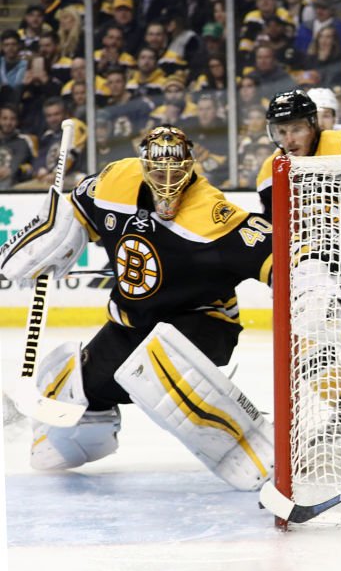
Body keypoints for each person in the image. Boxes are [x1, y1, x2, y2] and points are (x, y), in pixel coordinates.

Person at [0, 125, 274, 491]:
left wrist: (311, 281)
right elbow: (79, 210)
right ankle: (89, 440)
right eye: (158, 170)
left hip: (201, 325)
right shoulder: (117, 180)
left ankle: (259, 453)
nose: (167, 180)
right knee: (63, 406)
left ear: (192, 166)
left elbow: (275, 255)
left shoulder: (212, 214)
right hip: (130, 326)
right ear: (143, 165)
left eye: (177, 171)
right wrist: (56, 232)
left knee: (159, 370)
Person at [256, 88, 341, 216]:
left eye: (296, 129)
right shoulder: (271, 171)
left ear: (313, 125)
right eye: (282, 132)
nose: (289, 141)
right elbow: (274, 226)